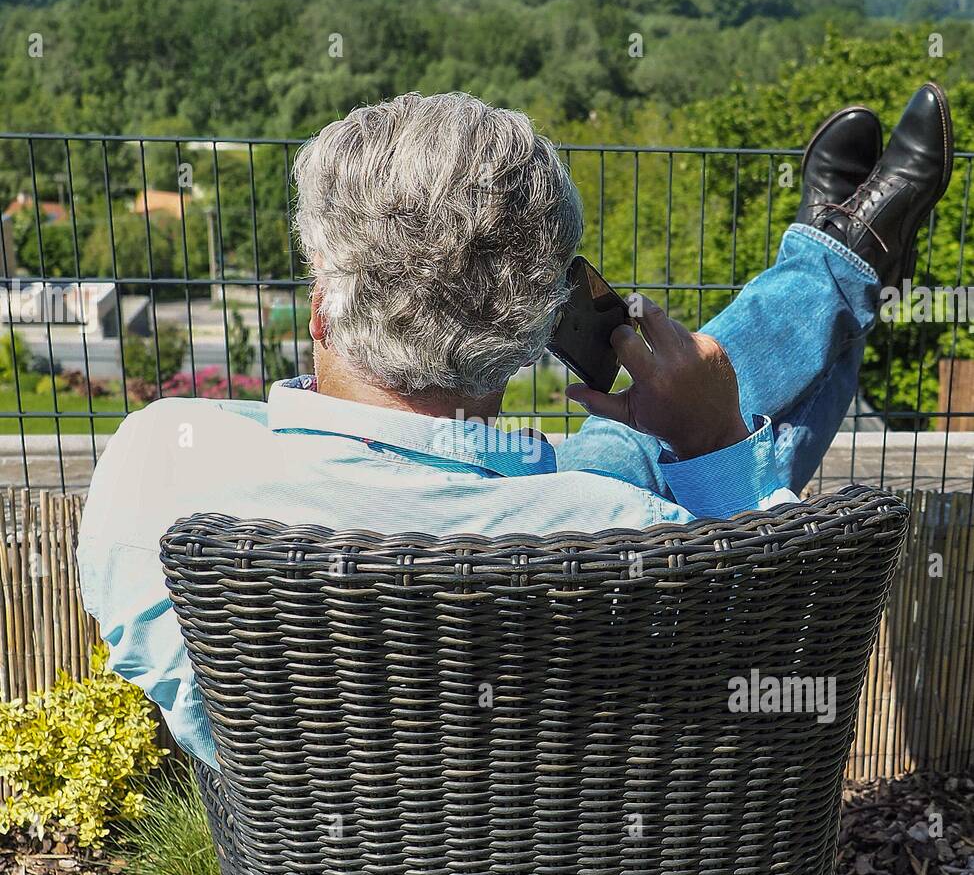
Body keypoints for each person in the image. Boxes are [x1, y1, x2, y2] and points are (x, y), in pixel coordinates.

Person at [77, 84, 954, 769]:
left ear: (319, 310)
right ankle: (838, 263)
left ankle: (844, 258)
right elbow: (791, 646)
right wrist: (713, 440)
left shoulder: (152, 469)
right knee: (654, 431)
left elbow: (283, 435)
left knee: (616, 448)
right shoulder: (618, 533)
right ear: (535, 334)